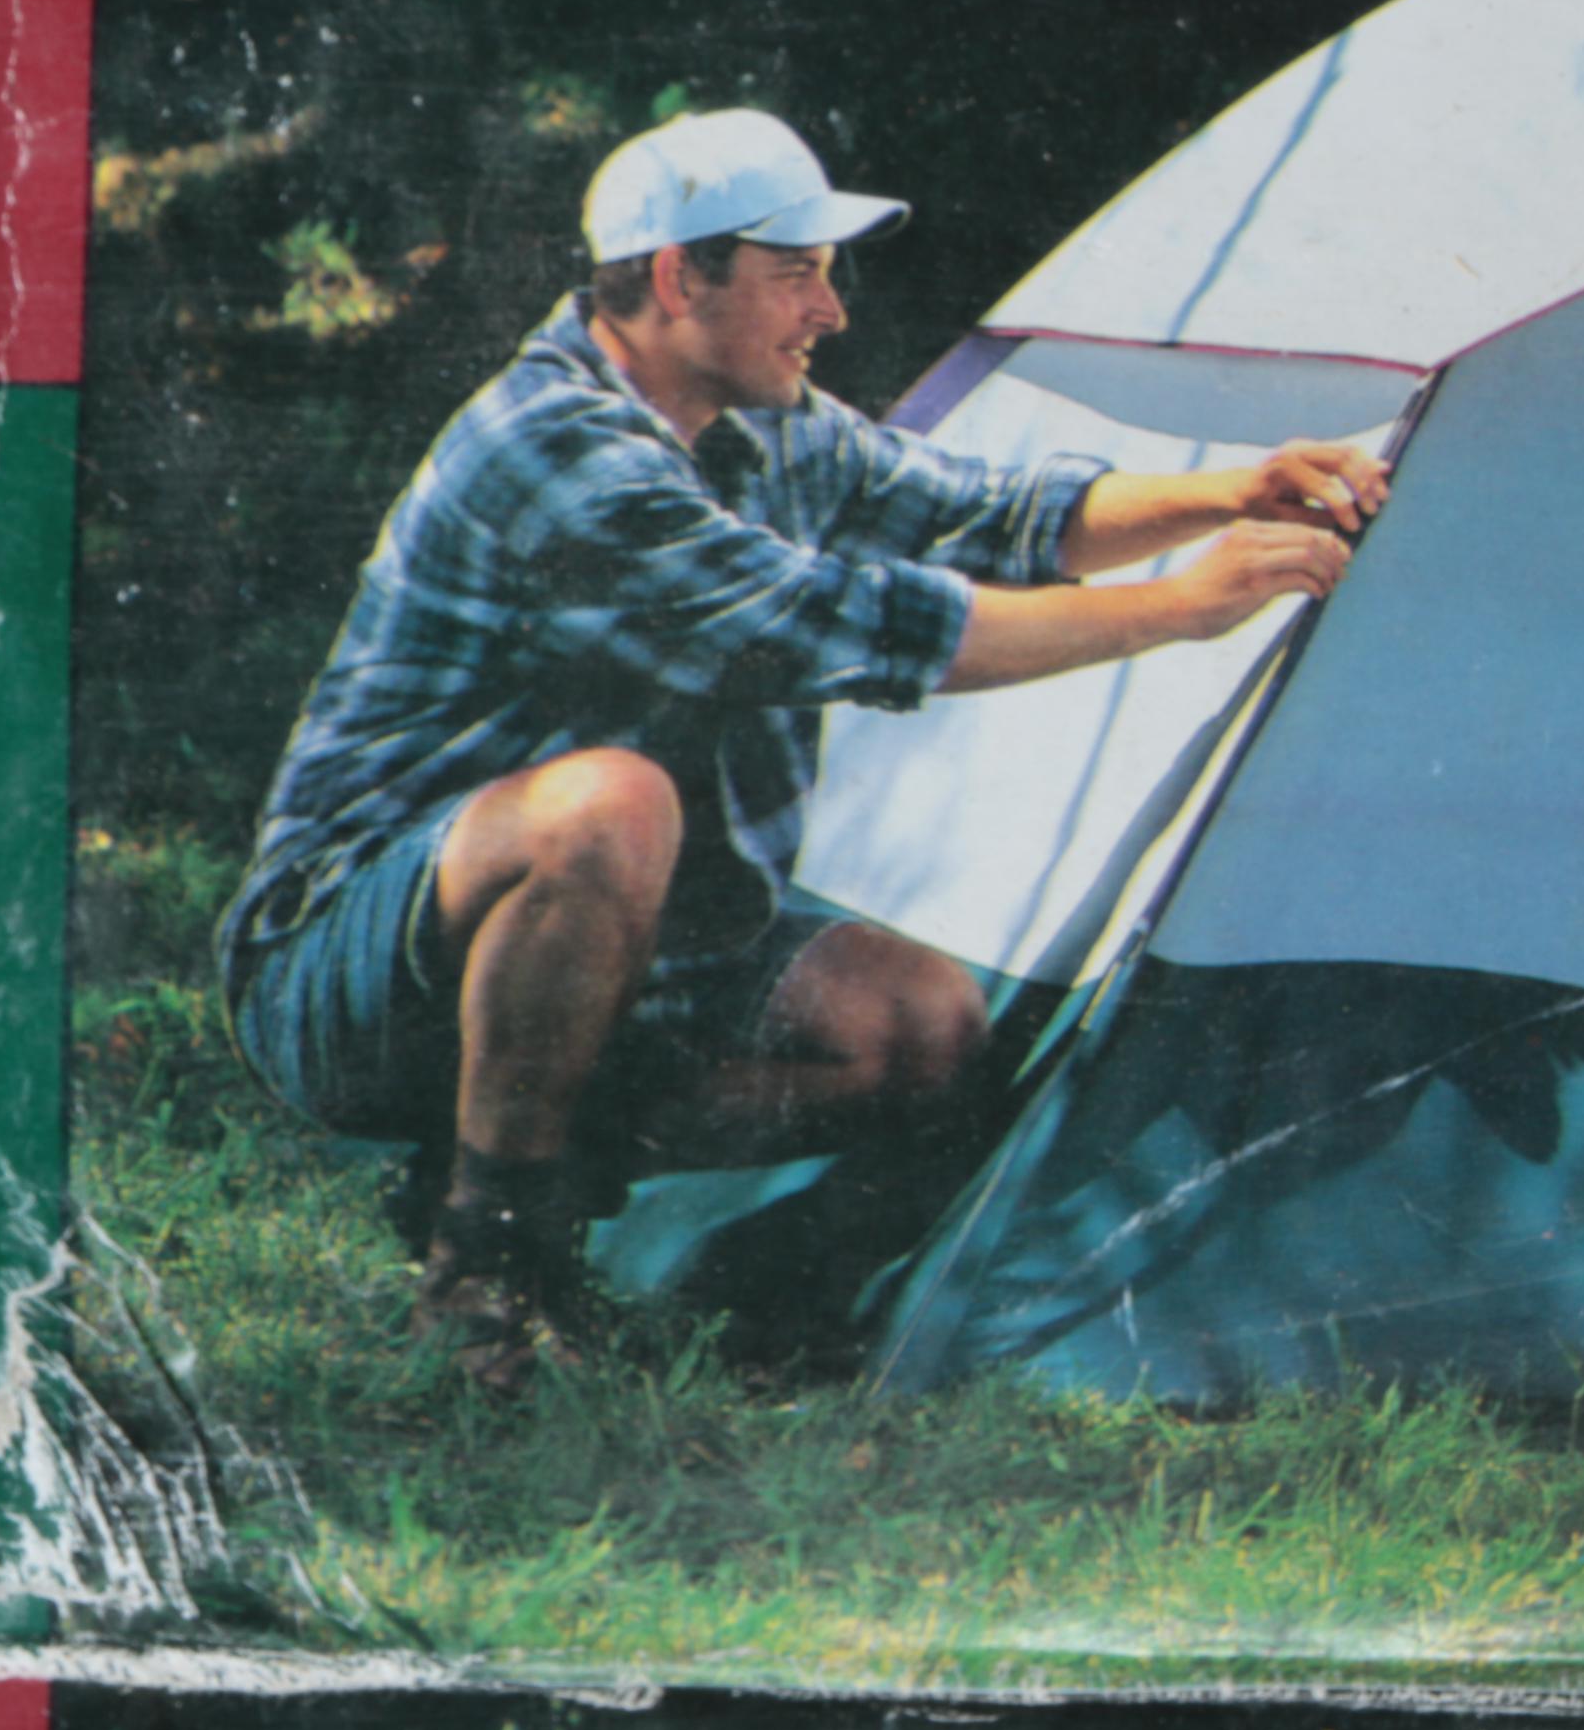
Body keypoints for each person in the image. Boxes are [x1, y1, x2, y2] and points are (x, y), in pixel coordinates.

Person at [218, 107, 1390, 1378]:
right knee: (608, 802)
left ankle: (558, 1184)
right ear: (679, 278)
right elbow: (834, 622)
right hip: (353, 971)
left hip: (639, 938)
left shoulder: (760, 419)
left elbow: (992, 515)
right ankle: (485, 1264)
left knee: (924, 1028)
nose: (829, 310)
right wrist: (1184, 607)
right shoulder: (556, 448)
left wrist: (1233, 488)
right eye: (797, 273)